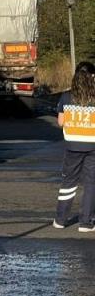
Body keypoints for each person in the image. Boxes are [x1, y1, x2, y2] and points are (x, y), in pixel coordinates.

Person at [54, 61, 95, 233]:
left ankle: (60, 220)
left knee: (69, 182)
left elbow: (61, 122)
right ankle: (86, 222)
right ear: (92, 77)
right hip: (93, 146)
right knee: (91, 183)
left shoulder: (66, 97)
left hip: (72, 146)